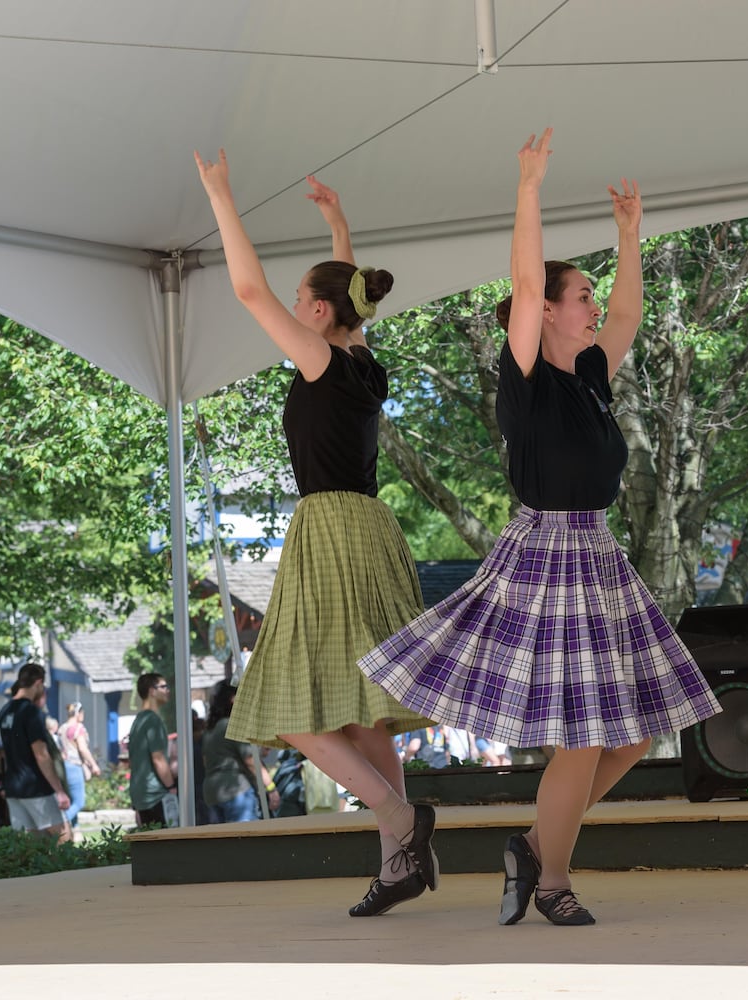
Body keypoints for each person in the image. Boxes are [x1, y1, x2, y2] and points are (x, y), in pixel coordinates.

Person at [361, 129, 721, 927]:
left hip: (597, 556)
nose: (594, 306)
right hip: (547, 556)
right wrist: (529, 188)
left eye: (590, 295)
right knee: (590, 734)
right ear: (550, 313)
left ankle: (534, 844)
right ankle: (551, 876)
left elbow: (626, 310)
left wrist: (631, 234)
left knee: (634, 732)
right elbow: (524, 286)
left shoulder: (590, 374)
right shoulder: (524, 381)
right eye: (580, 295)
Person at [194, 153, 439, 917]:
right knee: (366, 716)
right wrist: (337, 226)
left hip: (329, 531)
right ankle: (398, 860)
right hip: (368, 530)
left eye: (304, 299)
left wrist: (221, 196)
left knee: (291, 710)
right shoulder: (363, 361)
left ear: (325, 315)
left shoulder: (323, 359)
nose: (294, 308)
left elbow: (244, 288)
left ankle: (400, 821)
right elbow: (350, 296)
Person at [0, 662, 71, 843]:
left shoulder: (4, 711)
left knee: (31, 848)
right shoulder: (31, 712)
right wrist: (59, 791)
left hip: (14, 787)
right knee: (64, 839)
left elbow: (4, 754)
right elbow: (41, 755)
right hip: (36, 787)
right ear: (38, 683)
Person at [201, 680, 276, 823]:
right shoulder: (233, 725)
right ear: (233, 699)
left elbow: (206, 762)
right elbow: (251, 760)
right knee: (246, 841)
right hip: (236, 791)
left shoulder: (210, 729)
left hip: (211, 793)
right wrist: (271, 788)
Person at [128, 672, 179, 827]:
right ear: (152, 691)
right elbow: (158, 759)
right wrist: (171, 786)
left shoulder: (138, 720)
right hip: (156, 795)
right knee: (168, 846)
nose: (168, 690)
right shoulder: (153, 720)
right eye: (163, 687)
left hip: (141, 794)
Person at [60, 701, 102, 827]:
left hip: (63, 767)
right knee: (79, 802)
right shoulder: (78, 728)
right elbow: (83, 749)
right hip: (74, 766)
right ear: (78, 713)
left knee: (71, 801)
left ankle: (74, 835)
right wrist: (94, 764)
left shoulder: (62, 728)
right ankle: (61, 825)